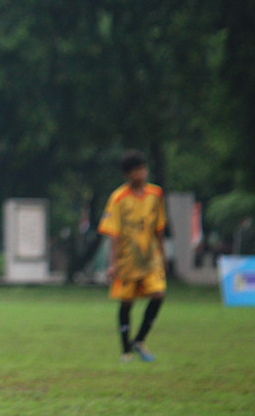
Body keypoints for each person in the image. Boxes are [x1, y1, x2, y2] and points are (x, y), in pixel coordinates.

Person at [98, 149, 167, 363]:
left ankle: (139, 340)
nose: (142, 173)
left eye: (143, 169)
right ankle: (125, 350)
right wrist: (113, 264)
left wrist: (162, 254)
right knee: (127, 302)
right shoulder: (118, 198)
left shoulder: (156, 194)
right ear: (128, 174)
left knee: (159, 295)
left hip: (150, 258)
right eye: (137, 170)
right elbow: (113, 232)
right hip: (127, 260)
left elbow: (159, 226)